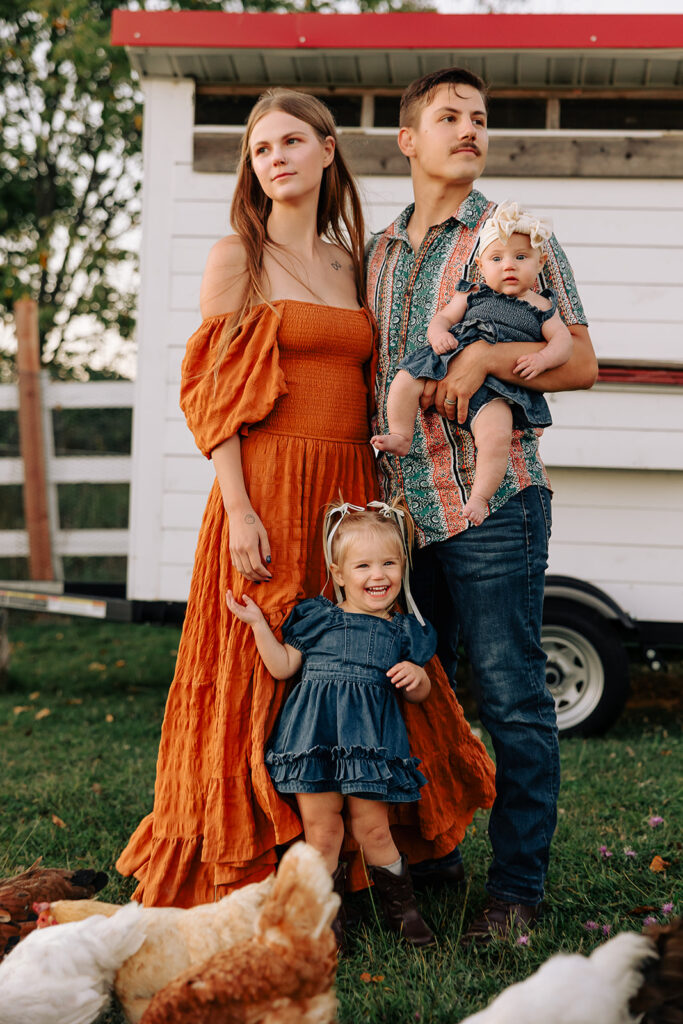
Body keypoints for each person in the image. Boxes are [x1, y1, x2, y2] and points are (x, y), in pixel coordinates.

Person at [116, 88, 495, 909]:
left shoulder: (350, 261)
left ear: (328, 150)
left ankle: (361, 863)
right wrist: (240, 507)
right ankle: (252, 866)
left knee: (351, 663)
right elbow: (213, 396)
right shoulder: (234, 259)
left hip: (345, 495)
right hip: (263, 488)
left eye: (292, 141)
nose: (275, 158)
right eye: (260, 150)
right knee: (260, 665)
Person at [366, 68, 598, 940]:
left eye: (480, 118)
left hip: (492, 503)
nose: (469, 129)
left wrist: (483, 363)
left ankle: (514, 895)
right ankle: (427, 862)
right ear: (408, 140)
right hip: (399, 511)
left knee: (508, 697)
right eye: (448, 117)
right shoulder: (381, 250)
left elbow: (578, 362)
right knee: (411, 693)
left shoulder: (515, 234)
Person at [227, 499, 437, 948]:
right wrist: (258, 625)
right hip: (314, 740)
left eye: (389, 564)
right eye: (363, 565)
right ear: (339, 574)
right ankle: (327, 922)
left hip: (368, 746)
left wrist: (417, 678)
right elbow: (284, 666)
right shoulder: (318, 619)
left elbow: (421, 694)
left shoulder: (402, 631)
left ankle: (404, 911)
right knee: (323, 833)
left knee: (373, 830)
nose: (377, 576)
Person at [371, 201, 573, 525]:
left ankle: (479, 497)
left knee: (496, 435)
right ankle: (400, 434)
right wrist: (438, 335)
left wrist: (543, 358)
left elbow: (564, 343)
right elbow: (444, 317)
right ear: (480, 265)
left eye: (520, 257)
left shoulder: (540, 305)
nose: (509, 266)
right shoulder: (473, 293)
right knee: (404, 380)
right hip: (450, 356)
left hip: (498, 389)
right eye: (497, 258)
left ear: (540, 262)